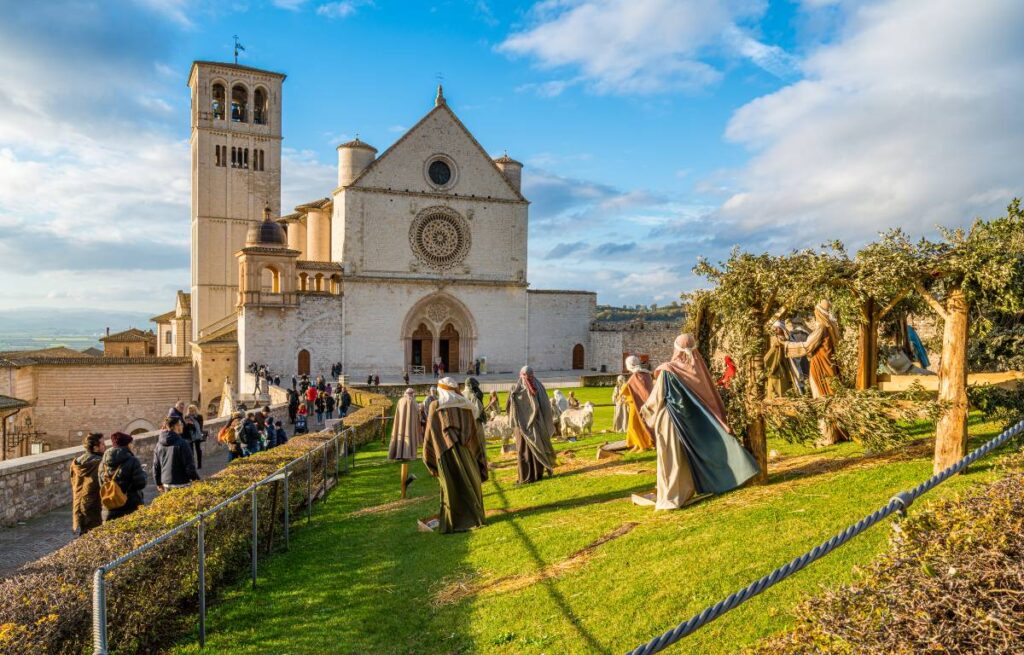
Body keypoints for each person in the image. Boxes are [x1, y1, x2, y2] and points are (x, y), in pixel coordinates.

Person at [642, 334, 761, 510]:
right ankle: (686, 491)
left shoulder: (668, 370)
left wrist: (646, 410)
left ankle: (671, 497)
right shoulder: (699, 369)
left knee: (671, 458)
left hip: (671, 420)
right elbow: (710, 397)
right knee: (684, 458)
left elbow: (657, 397)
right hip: (692, 423)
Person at [421, 377, 488, 533]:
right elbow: (473, 433)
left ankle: (455, 521)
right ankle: (475, 517)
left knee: (451, 487)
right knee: (470, 482)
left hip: (445, 453)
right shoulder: (466, 405)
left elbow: (430, 432)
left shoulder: (436, 406)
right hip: (467, 452)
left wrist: (427, 455)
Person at [790, 300, 848, 445]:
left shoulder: (821, 328)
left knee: (821, 398)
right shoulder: (832, 326)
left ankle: (827, 436)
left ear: (818, 312)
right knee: (831, 396)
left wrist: (786, 346)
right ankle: (837, 433)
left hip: (820, 367)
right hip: (831, 367)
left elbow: (807, 346)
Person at [507, 366, 557, 484]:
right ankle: (537, 474)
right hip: (538, 426)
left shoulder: (516, 389)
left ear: (521, 375)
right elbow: (546, 407)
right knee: (538, 447)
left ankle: (526, 477)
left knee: (523, 450)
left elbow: (510, 408)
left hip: (523, 428)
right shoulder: (539, 386)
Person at [100, 432, 147, 523]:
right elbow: (140, 484)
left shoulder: (103, 462)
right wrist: (143, 473)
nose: (132, 445)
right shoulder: (133, 461)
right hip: (130, 506)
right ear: (127, 445)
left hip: (109, 507)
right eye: (131, 443)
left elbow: (101, 483)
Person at [389, 388, 423, 498]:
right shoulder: (413, 402)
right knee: (409, 437)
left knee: (400, 435)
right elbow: (418, 413)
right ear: (412, 394)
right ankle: (409, 455)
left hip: (400, 426)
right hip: (410, 426)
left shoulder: (400, 401)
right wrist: (420, 408)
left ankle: (399, 454)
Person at [153, 416, 201, 491]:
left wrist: (158, 483)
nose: (182, 426)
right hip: (182, 483)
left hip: (166, 484)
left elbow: (156, 466)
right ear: (175, 426)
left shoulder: (159, 444)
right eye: (181, 424)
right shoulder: (182, 443)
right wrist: (196, 480)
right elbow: (189, 465)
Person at [70, 432, 104, 536]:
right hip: (94, 504)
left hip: (79, 503)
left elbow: (74, 483)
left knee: (84, 534)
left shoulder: (76, 462)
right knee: (94, 536)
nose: (105, 446)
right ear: (95, 448)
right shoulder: (100, 463)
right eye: (102, 444)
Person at [622, 355, 654, 452]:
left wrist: (623, 391)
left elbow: (629, 389)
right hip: (636, 403)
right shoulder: (645, 374)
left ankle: (642, 446)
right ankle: (636, 443)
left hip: (637, 404)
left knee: (634, 425)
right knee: (635, 425)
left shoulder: (637, 376)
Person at [765, 322, 797, 399]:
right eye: (774, 328)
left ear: (782, 329)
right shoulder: (774, 339)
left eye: (777, 328)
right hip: (775, 364)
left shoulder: (786, 339)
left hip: (784, 365)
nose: (775, 329)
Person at [183, 404, 205, 469]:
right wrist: (188, 424)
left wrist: (193, 424)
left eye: (193, 411)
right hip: (189, 435)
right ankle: (192, 464)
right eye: (190, 411)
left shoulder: (199, 416)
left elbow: (200, 426)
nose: (191, 412)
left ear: (195, 410)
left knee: (198, 449)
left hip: (197, 435)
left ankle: (199, 464)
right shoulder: (187, 417)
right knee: (191, 450)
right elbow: (185, 427)